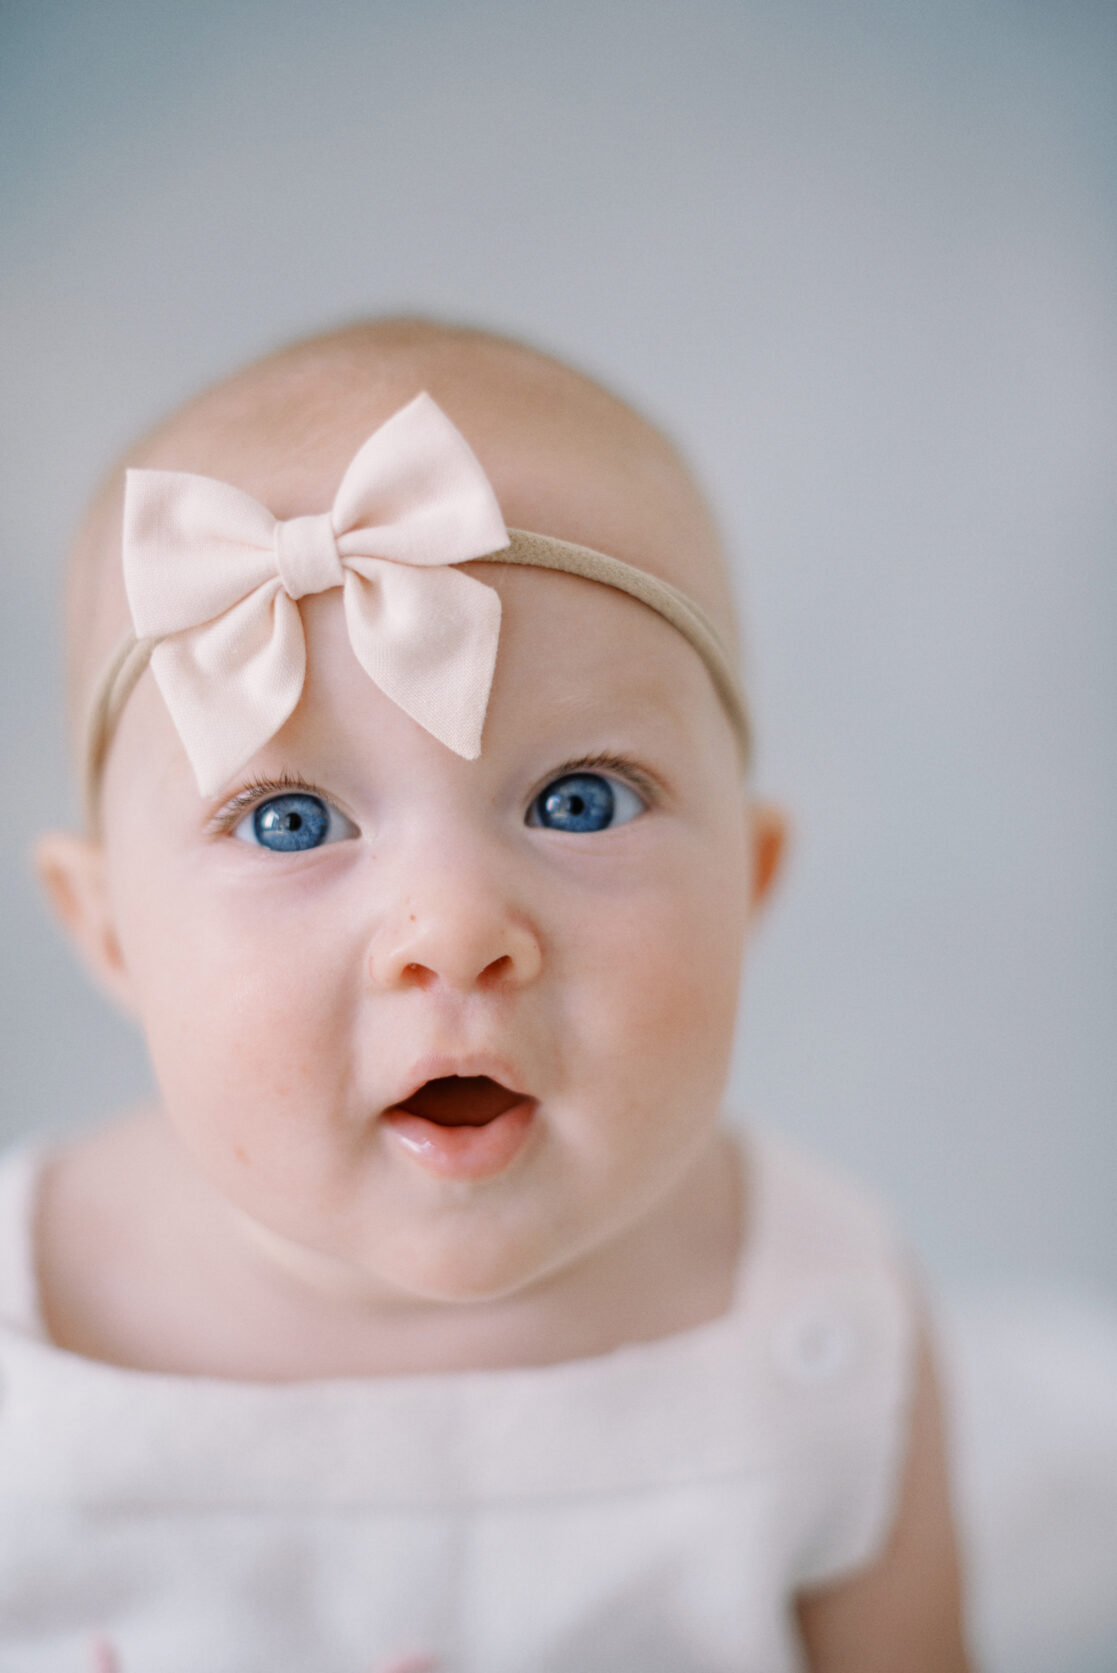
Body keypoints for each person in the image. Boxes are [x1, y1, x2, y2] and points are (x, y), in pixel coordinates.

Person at [9, 318, 970, 1671]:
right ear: (109, 932)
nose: (452, 932)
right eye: (289, 820)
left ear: (743, 887)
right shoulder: (27, 1328)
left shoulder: (816, 1318)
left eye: (578, 801)